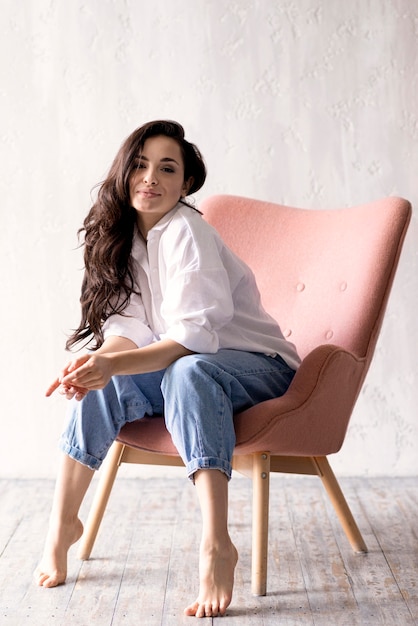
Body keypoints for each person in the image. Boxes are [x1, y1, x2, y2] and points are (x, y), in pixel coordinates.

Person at [35, 120, 300, 618]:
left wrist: (113, 362)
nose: (149, 177)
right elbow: (129, 329)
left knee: (188, 371)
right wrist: (99, 363)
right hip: (193, 365)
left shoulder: (188, 232)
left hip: (261, 368)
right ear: (123, 172)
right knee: (104, 373)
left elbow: (192, 340)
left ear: (186, 184)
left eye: (166, 168)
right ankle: (62, 524)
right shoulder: (124, 238)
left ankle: (216, 542)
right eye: (139, 165)